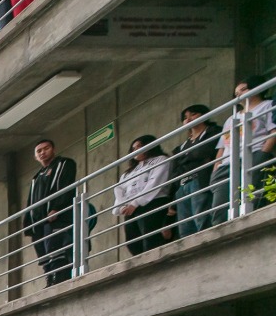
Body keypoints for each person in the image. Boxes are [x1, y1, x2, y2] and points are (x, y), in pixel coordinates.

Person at [208, 79, 276, 226]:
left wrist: (262, 155)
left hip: (254, 155)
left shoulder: (267, 106)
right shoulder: (231, 118)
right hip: (227, 164)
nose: (239, 94)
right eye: (236, 92)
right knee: (219, 207)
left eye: (243, 89)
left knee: (252, 199)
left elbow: (273, 132)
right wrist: (216, 168)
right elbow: (222, 147)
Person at [22, 139, 79, 286]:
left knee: (57, 249)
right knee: (43, 254)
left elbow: (66, 186)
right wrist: (29, 223)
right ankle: (50, 279)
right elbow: (31, 201)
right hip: (39, 222)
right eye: (39, 151)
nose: (42, 152)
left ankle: (61, 278)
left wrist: (57, 208)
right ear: (35, 157)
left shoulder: (65, 164)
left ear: (53, 149)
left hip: (56, 217)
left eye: (45, 148)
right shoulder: (36, 177)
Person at [113, 135, 173, 256]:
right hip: (130, 208)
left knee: (150, 237)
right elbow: (119, 188)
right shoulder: (129, 172)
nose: (136, 151)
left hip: (153, 202)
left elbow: (155, 183)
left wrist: (136, 203)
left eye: (139, 147)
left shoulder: (160, 160)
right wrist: (122, 205)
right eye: (133, 149)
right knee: (132, 242)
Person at [168, 105, 219, 236]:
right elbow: (175, 169)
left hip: (200, 179)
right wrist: (193, 158)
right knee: (185, 227)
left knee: (202, 219)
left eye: (193, 114)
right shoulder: (182, 146)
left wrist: (186, 159)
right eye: (185, 118)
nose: (189, 119)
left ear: (204, 115)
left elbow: (204, 151)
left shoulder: (213, 131)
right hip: (183, 185)